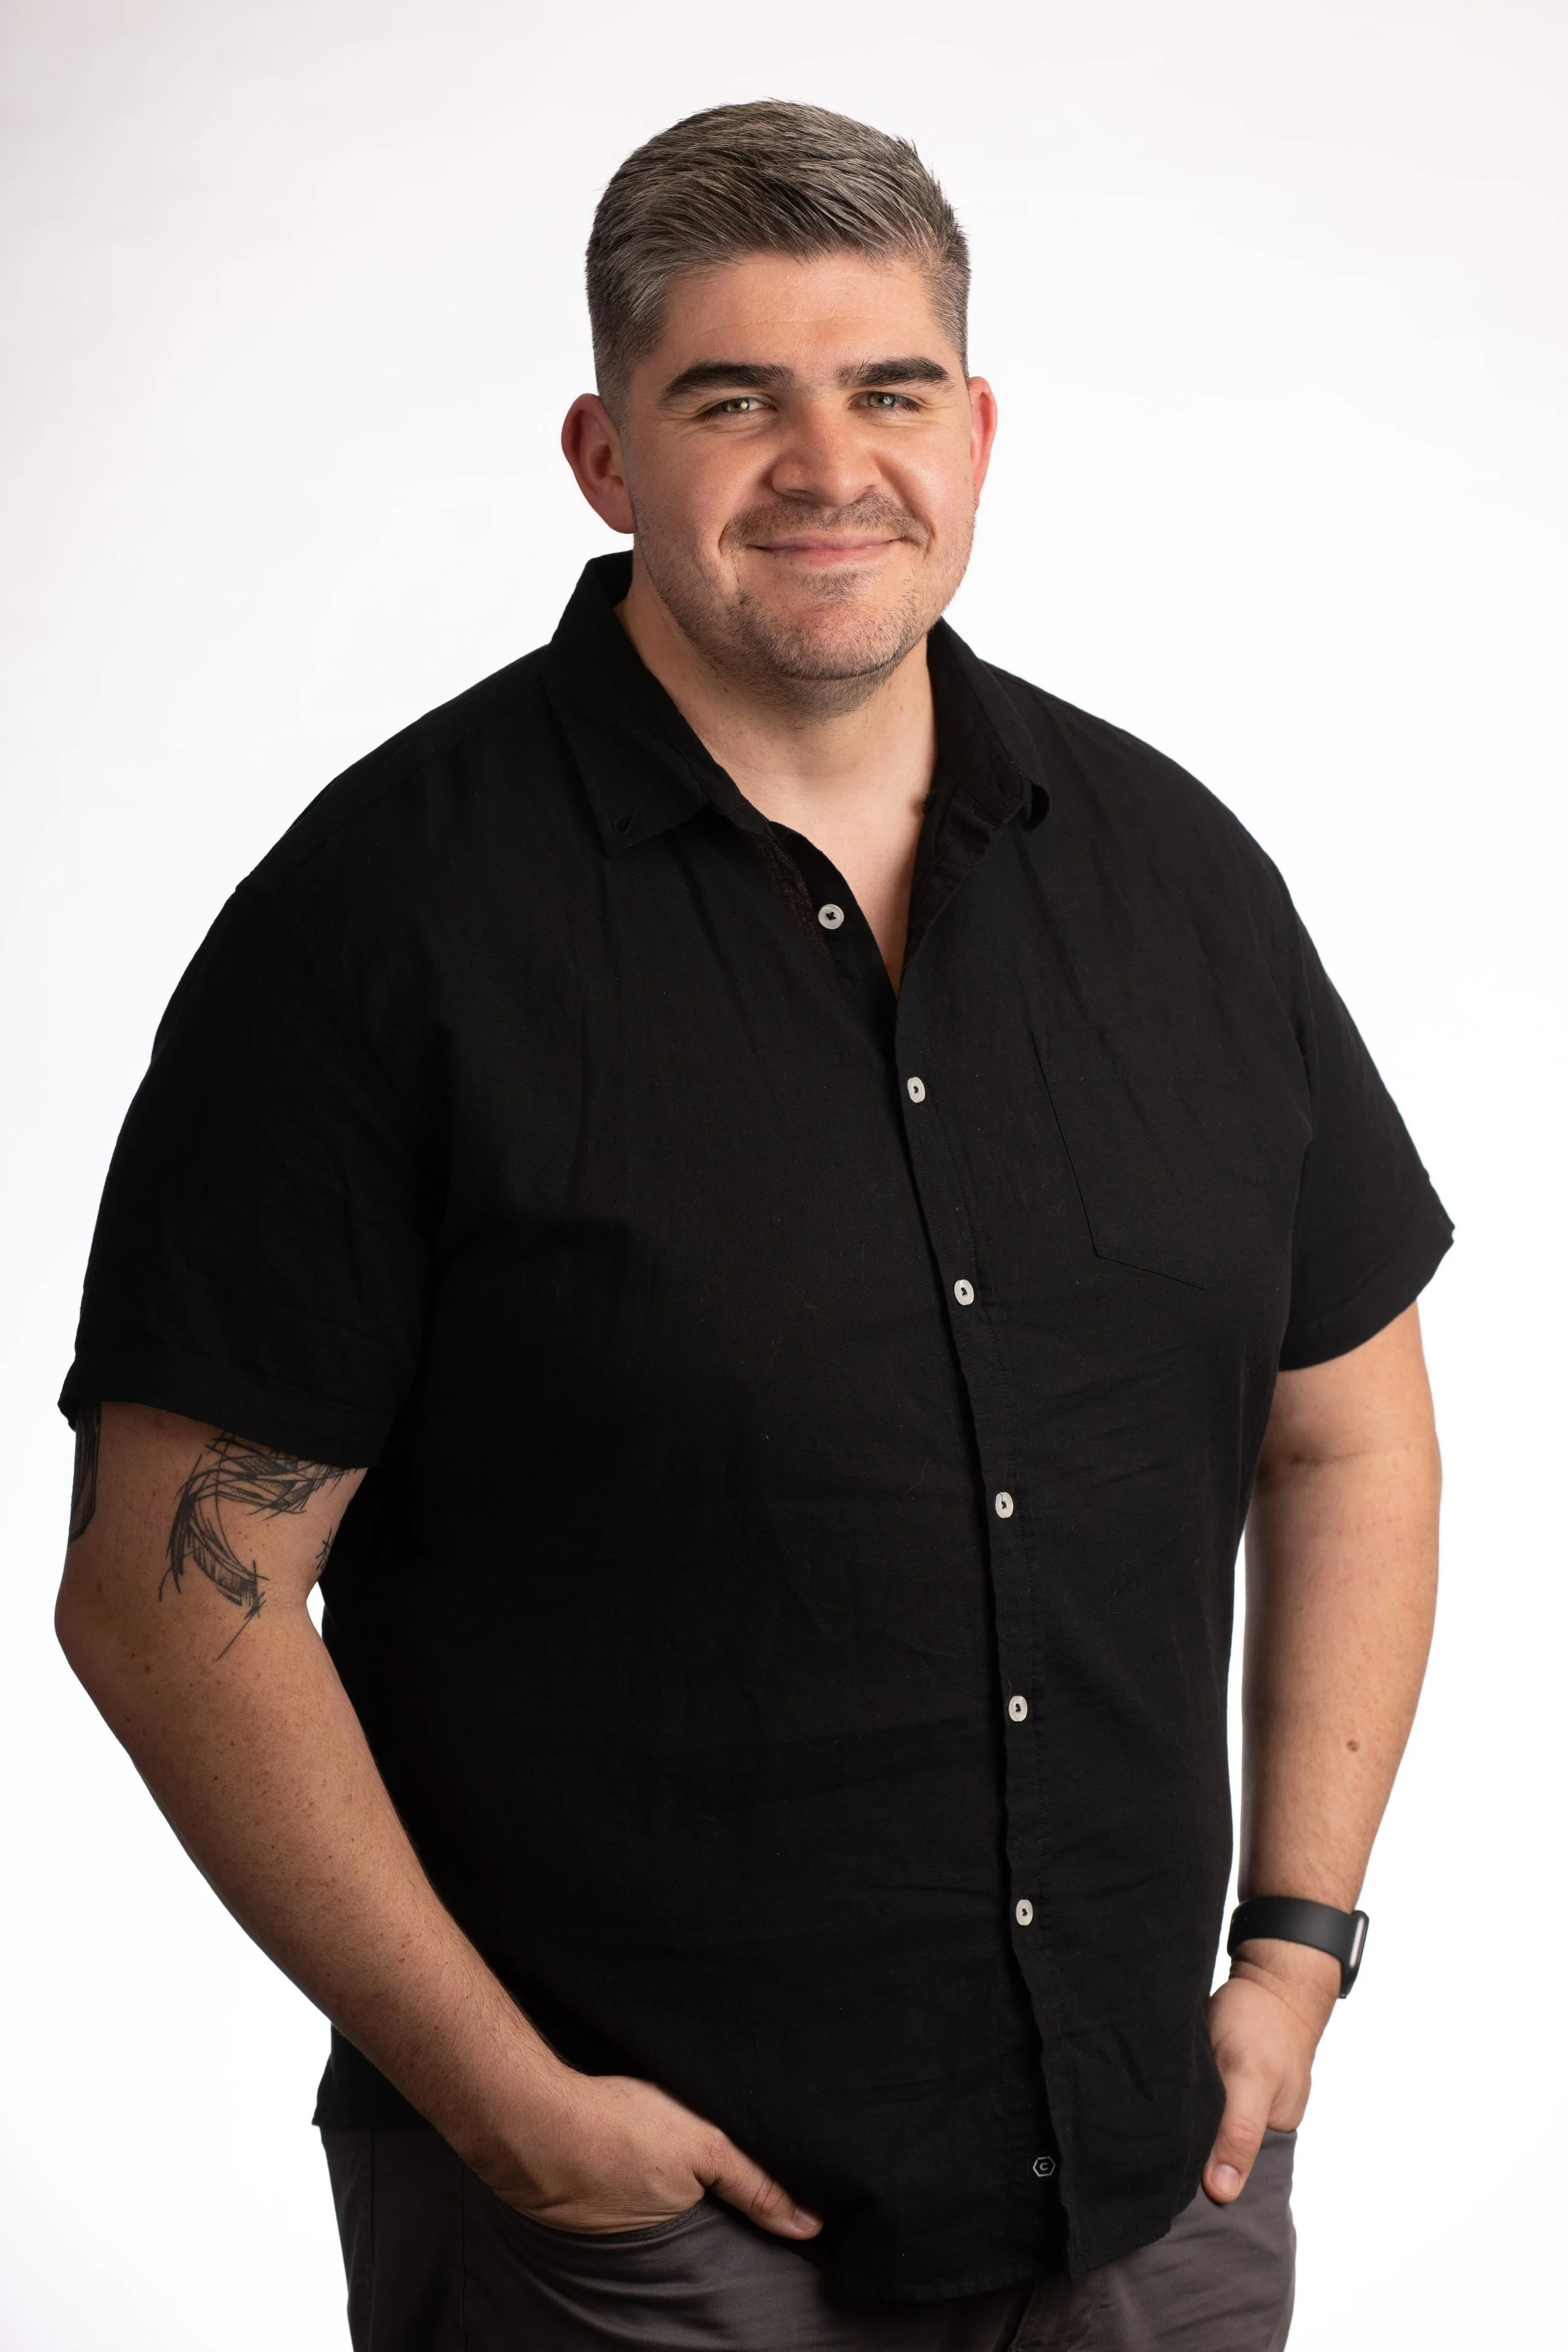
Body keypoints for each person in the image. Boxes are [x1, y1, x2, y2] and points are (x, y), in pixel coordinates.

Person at [55, 100, 1449, 2352]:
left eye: (887, 388)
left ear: (974, 429)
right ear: (607, 455)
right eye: (734, 396)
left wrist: (1291, 1955)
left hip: (1146, 2191)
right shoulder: (381, 926)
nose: (828, 461)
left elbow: (1348, 1434)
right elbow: (165, 1593)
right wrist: (514, 2114)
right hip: (632, 2247)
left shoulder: (1179, 880)